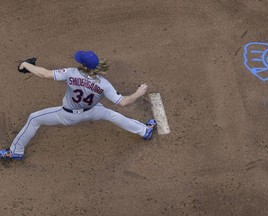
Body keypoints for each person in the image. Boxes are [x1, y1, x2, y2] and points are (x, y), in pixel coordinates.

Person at [0, 50, 157, 161]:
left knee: (34, 118)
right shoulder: (104, 84)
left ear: (83, 65)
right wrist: (138, 93)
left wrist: (25, 65)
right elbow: (123, 102)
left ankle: (15, 151)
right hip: (92, 111)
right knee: (111, 114)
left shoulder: (71, 72)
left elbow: (45, 74)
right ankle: (144, 131)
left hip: (67, 115)